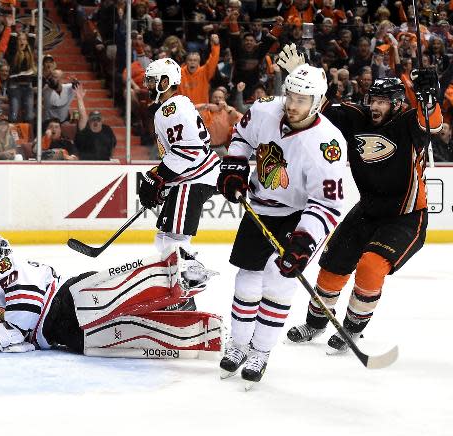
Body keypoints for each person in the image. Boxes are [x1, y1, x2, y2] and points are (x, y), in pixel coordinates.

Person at [278, 49, 443, 354]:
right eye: (373, 100)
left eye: (382, 102)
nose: (375, 106)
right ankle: (316, 322)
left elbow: (431, 123)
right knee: (332, 263)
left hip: (405, 216)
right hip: (367, 210)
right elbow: (319, 110)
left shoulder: (408, 123)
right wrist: (303, 75)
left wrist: (429, 97)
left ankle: (352, 329)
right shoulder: (355, 117)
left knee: (370, 266)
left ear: (397, 104)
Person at [216, 63, 349, 386]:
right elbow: (241, 137)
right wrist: (234, 168)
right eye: (290, 95)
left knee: (278, 281)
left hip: (297, 216)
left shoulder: (327, 145)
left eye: (302, 99)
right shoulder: (264, 111)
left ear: (317, 102)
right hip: (260, 207)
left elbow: (328, 204)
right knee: (247, 281)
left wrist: (304, 241)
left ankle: (260, 351)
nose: (292, 104)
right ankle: (238, 345)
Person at [0, 234, 220, 355]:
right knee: (131, 330)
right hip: (65, 333)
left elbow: (23, 318)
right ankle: (188, 321)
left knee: (120, 294)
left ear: (0, 251)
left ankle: (178, 275)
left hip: (68, 303)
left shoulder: (6, 267)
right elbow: (18, 317)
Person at [137, 57, 220, 311]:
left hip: (195, 178)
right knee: (165, 237)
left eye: (152, 80)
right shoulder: (173, 105)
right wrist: (160, 178)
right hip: (190, 176)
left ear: (165, 82)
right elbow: (180, 151)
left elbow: (189, 150)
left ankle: (185, 297)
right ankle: (174, 293)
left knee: (174, 239)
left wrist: (159, 177)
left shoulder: (170, 109)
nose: (147, 85)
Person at [74, 84, 117, 160]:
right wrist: (80, 99)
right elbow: (83, 115)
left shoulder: (107, 129)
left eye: (98, 119)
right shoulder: (84, 129)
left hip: (104, 163)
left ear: (102, 121)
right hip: (86, 164)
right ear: (89, 121)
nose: (96, 122)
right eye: (93, 119)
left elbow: (113, 145)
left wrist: (111, 159)